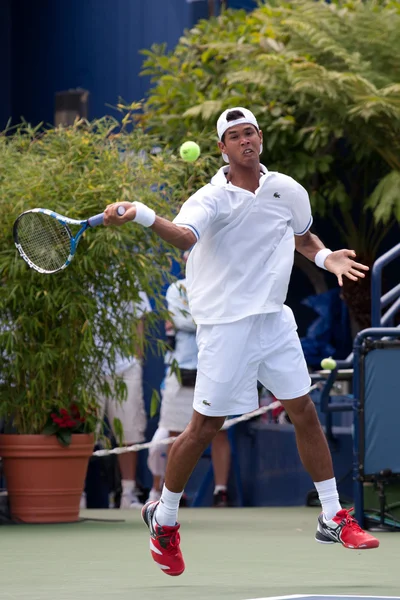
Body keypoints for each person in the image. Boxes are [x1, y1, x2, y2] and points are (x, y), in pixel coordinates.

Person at [104, 106, 379, 575]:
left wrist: (328, 257)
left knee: (304, 411)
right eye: (234, 136)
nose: (245, 141)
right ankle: (164, 517)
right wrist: (142, 214)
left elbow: (303, 236)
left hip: (273, 320)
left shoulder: (285, 189)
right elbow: (183, 234)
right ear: (223, 148)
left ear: (261, 139)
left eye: (250, 132)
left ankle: (332, 515)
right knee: (203, 429)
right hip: (224, 326)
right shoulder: (210, 198)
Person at [148, 260, 232, 507]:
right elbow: (181, 320)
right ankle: (175, 492)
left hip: (215, 365)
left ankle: (221, 491)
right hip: (181, 367)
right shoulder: (176, 289)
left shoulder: (221, 286)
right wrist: (213, 318)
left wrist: (209, 318)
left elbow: (225, 320)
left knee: (220, 430)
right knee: (175, 431)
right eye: (189, 255)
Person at [90, 290, 151, 509]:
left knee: (129, 432)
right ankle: (77, 494)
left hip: (125, 366)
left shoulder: (130, 277)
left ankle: (127, 494)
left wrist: (136, 358)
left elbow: (139, 318)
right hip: (87, 365)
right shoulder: (82, 277)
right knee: (85, 434)